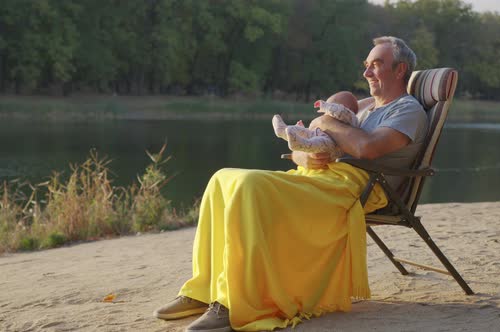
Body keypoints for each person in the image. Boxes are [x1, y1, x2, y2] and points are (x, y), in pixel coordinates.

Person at [153, 36, 428, 332]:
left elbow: (368, 148)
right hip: (320, 178)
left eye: (376, 65)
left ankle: (234, 303)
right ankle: (203, 289)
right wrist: (302, 158)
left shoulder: (407, 110)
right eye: (366, 65)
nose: (366, 73)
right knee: (222, 178)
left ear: (400, 70)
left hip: (354, 190)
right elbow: (310, 139)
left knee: (249, 187)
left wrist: (327, 123)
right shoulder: (363, 108)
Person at [272, 91, 359, 160]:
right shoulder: (328, 120)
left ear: (348, 109)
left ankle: (301, 144)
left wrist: (325, 106)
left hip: (332, 145)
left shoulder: (350, 117)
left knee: (319, 142)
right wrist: (302, 128)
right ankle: (283, 131)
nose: (325, 113)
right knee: (306, 133)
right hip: (318, 134)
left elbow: (339, 111)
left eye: (332, 104)